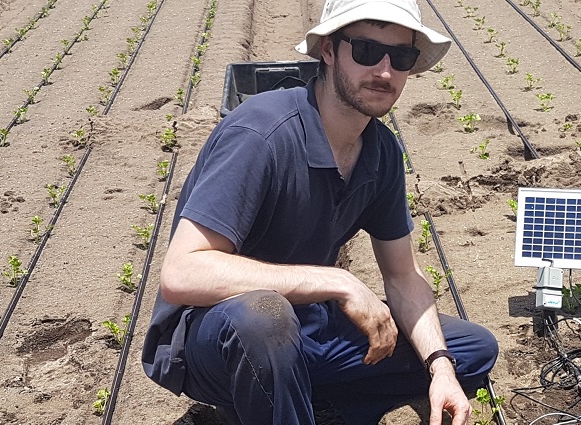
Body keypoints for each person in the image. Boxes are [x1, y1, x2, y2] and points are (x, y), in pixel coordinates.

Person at [141, 0, 499, 423]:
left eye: (400, 57)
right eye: (366, 51)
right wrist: (338, 281)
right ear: (328, 51)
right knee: (263, 318)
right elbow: (183, 274)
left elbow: (402, 274)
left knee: (471, 350)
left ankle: (304, 406)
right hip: (218, 335)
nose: (384, 72)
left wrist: (440, 368)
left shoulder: (380, 152)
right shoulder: (260, 134)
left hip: (306, 326)